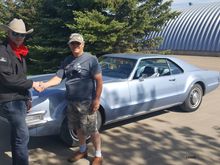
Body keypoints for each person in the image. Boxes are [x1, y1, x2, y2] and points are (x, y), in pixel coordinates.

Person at [38, 33, 103, 165]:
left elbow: (99, 81)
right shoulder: (67, 60)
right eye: (73, 43)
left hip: (86, 102)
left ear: (83, 44)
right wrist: (45, 85)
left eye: (77, 43)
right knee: (77, 128)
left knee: (91, 130)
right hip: (71, 101)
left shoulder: (91, 59)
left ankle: (98, 155)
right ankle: (83, 150)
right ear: (69, 45)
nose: (75, 46)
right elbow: (58, 78)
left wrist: (96, 99)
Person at [0, 18, 41, 165]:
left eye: (22, 35)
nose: (19, 37)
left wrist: (27, 97)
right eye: (15, 33)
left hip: (19, 99)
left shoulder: (19, 52)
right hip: (9, 100)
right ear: (8, 33)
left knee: (17, 135)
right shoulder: (2, 51)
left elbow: (21, 77)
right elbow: (7, 79)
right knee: (22, 136)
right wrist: (33, 84)